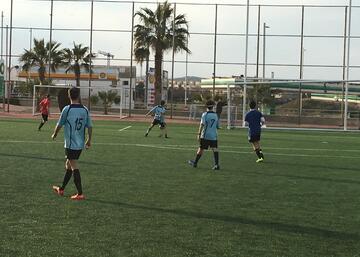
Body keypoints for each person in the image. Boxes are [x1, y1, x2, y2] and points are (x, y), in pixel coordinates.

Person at [51, 87, 93, 200]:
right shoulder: (85, 109)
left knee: (73, 166)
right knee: (68, 165)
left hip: (70, 144)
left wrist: (54, 134)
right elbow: (89, 126)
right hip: (79, 145)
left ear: (69, 96)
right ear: (78, 96)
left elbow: (59, 124)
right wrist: (89, 140)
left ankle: (80, 193)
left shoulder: (67, 109)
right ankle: (61, 189)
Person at [188, 99, 220, 170]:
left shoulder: (205, 114)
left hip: (205, 135)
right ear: (213, 107)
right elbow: (217, 126)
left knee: (201, 148)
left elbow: (202, 125)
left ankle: (195, 163)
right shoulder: (216, 115)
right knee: (215, 149)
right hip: (213, 136)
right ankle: (216, 165)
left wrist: (198, 134)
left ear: (207, 107)